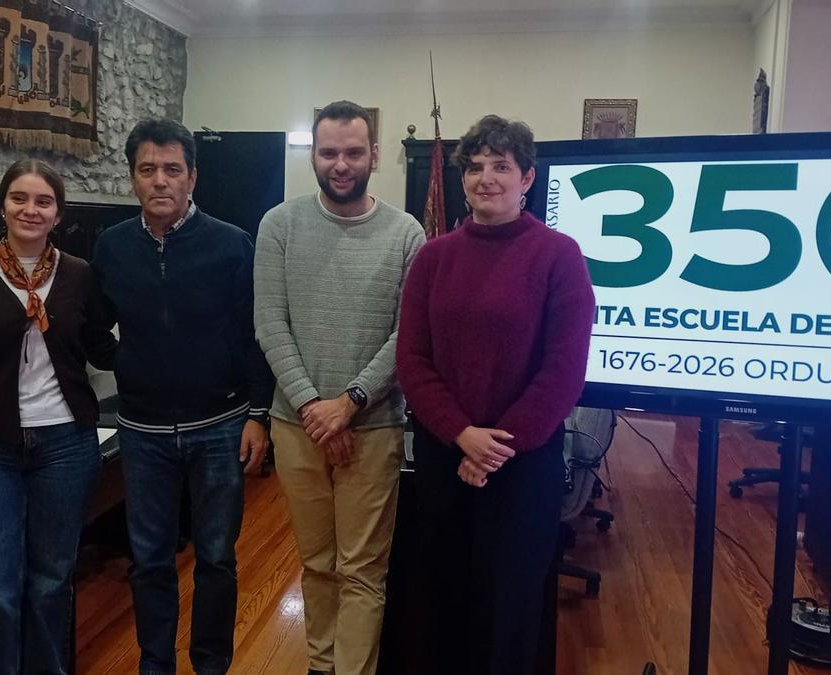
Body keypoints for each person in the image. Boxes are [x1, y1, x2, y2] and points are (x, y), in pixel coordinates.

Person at [396, 115, 595, 674]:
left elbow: (563, 370)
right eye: (476, 166)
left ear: (527, 178)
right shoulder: (433, 258)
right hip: (442, 456)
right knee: (441, 596)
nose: (486, 177)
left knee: (508, 605)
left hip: (521, 464)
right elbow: (412, 359)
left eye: (501, 166)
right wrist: (462, 436)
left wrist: (493, 449)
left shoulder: (559, 255)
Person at [92, 118, 274, 675]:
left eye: (172, 169)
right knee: (149, 561)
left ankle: (211, 664)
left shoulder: (231, 244)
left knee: (216, 558)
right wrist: (122, 360)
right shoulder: (112, 247)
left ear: (192, 177)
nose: (160, 181)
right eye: (148, 170)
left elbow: (255, 334)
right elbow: (95, 328)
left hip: (220, 425)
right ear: (132, 180)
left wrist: (259, 414)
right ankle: (155, 665)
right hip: (142, 432)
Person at [254, 100, 425, 675]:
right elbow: (269, 323)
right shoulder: (278, 225)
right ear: (314, 157)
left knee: (362, 570)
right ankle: (320, 667)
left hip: (372, 427)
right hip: (296, 426)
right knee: (318, 563)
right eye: (329, 153)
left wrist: (349, 404)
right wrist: (313, 408)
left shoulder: (407, 233)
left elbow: (409, 335)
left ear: (374, 154)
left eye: (354, 152)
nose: (341, 164)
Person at [0, 159, 117, 674]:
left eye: (43, 201)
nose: (30, 210)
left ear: (58, 213)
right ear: (2, 207)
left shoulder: (80, 275)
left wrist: (169, 337)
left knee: (52, 582)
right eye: (20, 198)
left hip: (66, 445)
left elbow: (103, 348)